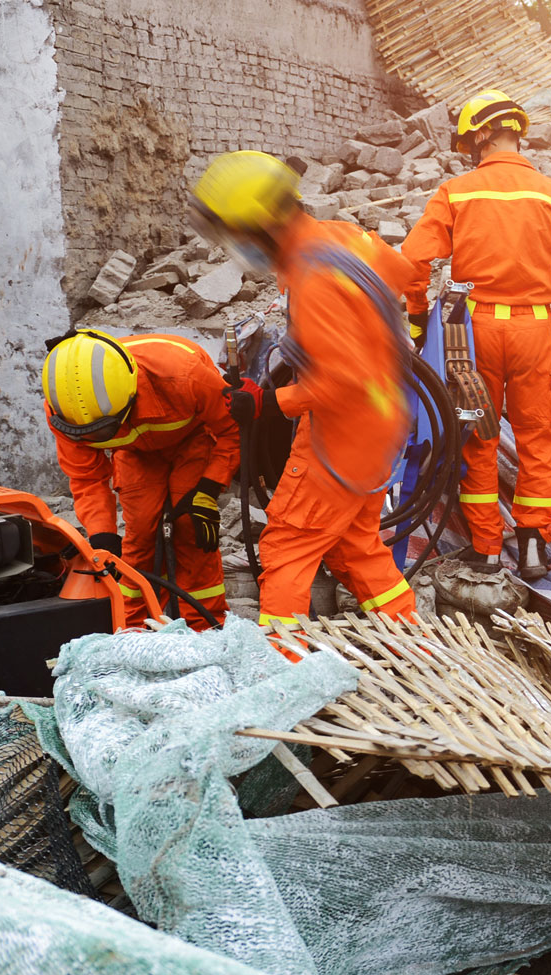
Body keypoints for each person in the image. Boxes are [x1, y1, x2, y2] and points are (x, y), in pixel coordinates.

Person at [189, 150, 419, 627]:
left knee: (287, 546)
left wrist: (268, 401)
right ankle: (411, 641)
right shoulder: (339, 238)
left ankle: (286, 669)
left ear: (260, 226)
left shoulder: (314, 278)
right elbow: (402, 273)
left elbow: (341, 378)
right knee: (356, 545)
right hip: (381, 422)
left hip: (342, 432)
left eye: (234, 235)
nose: (234, 246)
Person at [401, 88, 551, 580]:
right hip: (534, 328)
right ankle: (534, 545)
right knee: (537, 435)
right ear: (516, 134)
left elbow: (413, 260)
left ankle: (487, 548)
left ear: (481, 136)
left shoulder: (457, 192)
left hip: (473, 333)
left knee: (477, 433)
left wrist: (418, 315)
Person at [42, 329, 238, 630]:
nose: (94, 438)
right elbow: (86, 477)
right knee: (140, 533)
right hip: (133, 453)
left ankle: (204, 626)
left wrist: (210, 487)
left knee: (191, 529)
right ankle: (135, 626)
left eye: (102, 430)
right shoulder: (66, 412)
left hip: (192, 440)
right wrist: (102, 536)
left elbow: (231, 431)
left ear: (131, 395)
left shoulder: (186, 374)